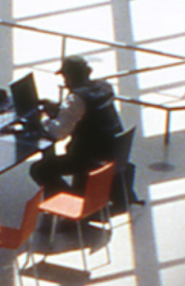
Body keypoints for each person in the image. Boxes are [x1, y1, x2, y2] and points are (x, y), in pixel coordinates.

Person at [30, 54, 126, 195]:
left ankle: (70, 199)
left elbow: (57, 132)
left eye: (66, 77)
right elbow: (90, 111)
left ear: (72, 77)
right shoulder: (105, 86)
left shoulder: (76, 98)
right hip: (111, 150)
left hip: (89, 156)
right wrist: (60, 109)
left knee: (40, 170)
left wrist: (42, 120)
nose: (66, 83)